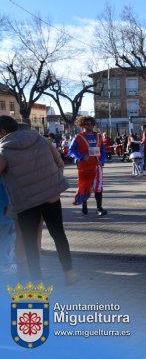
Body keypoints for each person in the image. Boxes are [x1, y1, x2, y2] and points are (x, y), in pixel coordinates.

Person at [0, 116, 78, 283]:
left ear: (3, 132)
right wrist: (53, 184)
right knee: (58, 234)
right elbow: (59, 163)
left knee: (29, 241)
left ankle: (35, 279)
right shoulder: (41, 141)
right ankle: (69, 273)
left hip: (26, 202)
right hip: (51, 196)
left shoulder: (3, 152)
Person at [69, 116, 108, 216]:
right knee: (85, 186)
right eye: (86, 124)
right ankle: (84, 204)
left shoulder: (98, 136)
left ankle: (99, 208)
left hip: (97, 165)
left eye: (91, 124)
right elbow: (71, 150)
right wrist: (81, 156)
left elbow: (103, 150)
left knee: (98, 186)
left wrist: (102, 160)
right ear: (82, 125)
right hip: (85, 167)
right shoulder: (78, 137)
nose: (89, 126)